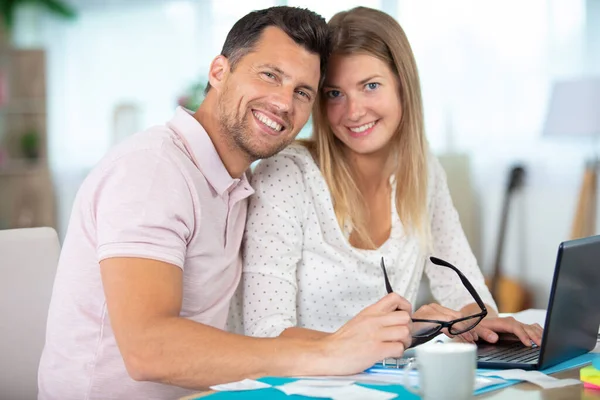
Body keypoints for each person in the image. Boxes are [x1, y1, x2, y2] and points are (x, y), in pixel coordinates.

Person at [37, 7, 415, 400]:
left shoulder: (235, 184)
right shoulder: (153, 171)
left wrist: (388, 335)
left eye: (303, 92)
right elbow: (148, 348)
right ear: (219, 72)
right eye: (270, 75)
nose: (284, 103)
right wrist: (324, 353)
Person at [237, 6, 543, 347]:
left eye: (370, 86)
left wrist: (482, 321)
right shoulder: (286, 175)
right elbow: (265, 333)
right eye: (334, 93)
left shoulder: (423, 170)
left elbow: (462, 287)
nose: (353, 112)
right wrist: (407, 330)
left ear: (403, 86)